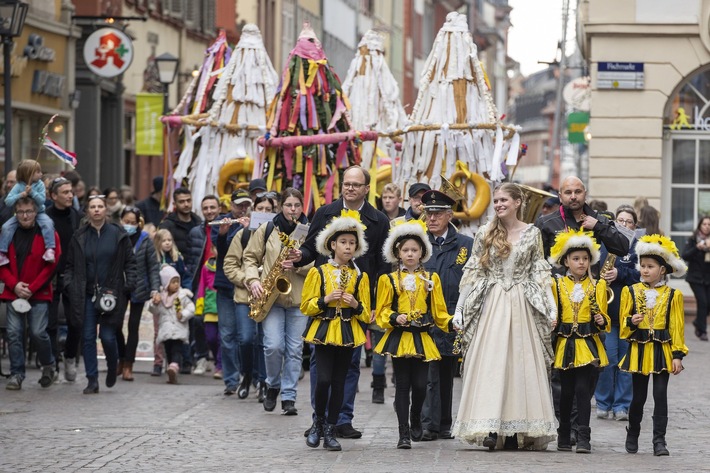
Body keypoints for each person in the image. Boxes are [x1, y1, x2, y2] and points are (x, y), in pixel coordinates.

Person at [453, 182, 557, 451]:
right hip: (492, 303)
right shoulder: (485, 233)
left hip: (522, 303)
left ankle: (517, 430)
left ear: (517, 203)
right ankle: (490, 427)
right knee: (491, 364)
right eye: (496, 201)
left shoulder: (532, 233)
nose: (498, 205)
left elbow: (540, 272)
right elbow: (473, 271)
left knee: (520, 366)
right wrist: (460, 308)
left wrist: (551, 305)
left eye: (503, 200)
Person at [292, 165, 389, 439]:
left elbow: (383, 266)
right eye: (347, 183)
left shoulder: (378, 219)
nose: (350, 188)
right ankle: (318, 419)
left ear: (367, 188)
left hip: (356, 301)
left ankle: (342, 419)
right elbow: (311, 247)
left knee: (350, 364)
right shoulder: (325, 212)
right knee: (319, 366)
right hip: (325, 297)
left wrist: (375, 303)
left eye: (356, 184)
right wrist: (299, 255)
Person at [375, 220, 453, 449]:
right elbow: (382, 310)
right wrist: (393, 317)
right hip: (400, 337)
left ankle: (416, 415)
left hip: (421, 337)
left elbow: (439, 312)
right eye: (405, 250)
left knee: (420, 385)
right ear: (398, 253)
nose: (410, 254)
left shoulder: (431, 280)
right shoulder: (388, 280)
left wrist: (454, 323)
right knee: (402, 384)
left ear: (422, 253)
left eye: (414, 250)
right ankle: (403, 433)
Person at [302, 211, 371, 452]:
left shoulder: (359, 276)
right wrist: (325, 299)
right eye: (343, 242)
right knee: (323, 380)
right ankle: (317, 424)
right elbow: (306, 306)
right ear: (332, 244)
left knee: (340, 382)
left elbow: (365, 313)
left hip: (348, 332)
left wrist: (355, 305)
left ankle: (331, 428)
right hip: (323, 330)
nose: (348, 247)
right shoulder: (318, 272)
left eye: (352, 243)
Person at [243, 188, 311, 414]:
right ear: (281, 206)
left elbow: (319, 263)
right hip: (270, 297)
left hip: (298, 298)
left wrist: (299, 264)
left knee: (294, 350)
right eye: (289, 205)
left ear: (303, 206)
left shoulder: (309, 231)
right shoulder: (268, 228)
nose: (293, 210)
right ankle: (272, 384)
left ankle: (289, 396)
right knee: (273, 346)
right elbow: (250, 257)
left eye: (297, 205)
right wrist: (253, 280)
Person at [619, 234, 688, 456]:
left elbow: (677, 326)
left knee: (660, 394)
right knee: (638, 396)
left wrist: (677, 355)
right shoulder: (630, 291)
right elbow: (622, 327)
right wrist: (631, 322)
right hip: (639, 349)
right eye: (643, 265)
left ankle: (659, 441)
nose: (645, 270)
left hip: (662, 350)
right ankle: (633, 432)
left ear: (663, 270)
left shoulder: (672, 295)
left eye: (650, 266)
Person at [63, 195, 137, 394]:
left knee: (108, 337)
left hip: (112, 294)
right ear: (87, 211)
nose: (96, 210)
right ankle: (92, 379)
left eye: (100, 207)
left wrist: (128, 283)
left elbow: (130, 262)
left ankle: (113, 366)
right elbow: (69, 265)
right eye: (92, 207)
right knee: (87, 337)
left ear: (106, 210)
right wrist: (69, 285)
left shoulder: (117, 233)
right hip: (86, 294)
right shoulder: (79, 235)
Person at [549, 229, 610, 453]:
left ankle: (584, 437)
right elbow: (552, 313)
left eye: (585, 259)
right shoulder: (556, 285)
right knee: (565, 391)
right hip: (565, 344)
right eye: (576, 259)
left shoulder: (597, 286)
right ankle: (564, 434)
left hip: (587, 344)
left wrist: (601, 319)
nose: (581, 263)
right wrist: (552, 322)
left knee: (583, 389)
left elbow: (605, 320)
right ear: (566, 261)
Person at [419, 190, 473, 442]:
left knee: (446, 372)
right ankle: (428, 424)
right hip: (425, 318)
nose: (431, 218)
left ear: (449, 215)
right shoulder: (417, 242)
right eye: (428, 213)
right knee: (429, 374)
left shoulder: (465, 244)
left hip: (452, 318)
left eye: (437, 213)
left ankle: (443, 423)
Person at [1, 196, 61, 390]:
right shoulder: (7, 233)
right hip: (13, 291)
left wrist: (32, 287)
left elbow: (51, 265)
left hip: (39, 292)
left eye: (28, 211)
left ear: (36, 212)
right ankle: (17, 373)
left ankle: (48, 365)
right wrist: (14, 285)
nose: (25, 216)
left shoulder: (47, 233)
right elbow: (2, 263)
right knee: (13, 333)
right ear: (15, 213)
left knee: (37, 333)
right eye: (20, 212)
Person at [223, 193, 275, 402]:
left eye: (267, 209)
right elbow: (230, 264)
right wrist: (246, 280)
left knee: (264, 342)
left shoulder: (278, 235)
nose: (263, 213)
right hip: (245, 296)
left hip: (270, 297)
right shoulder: (242, 235)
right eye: (259, 209)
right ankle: (246, 375)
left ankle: (263, 381)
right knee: (245, 339)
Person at [594, 206, 640, 421]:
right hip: (609, 313)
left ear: (635, 226)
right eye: (620, 220)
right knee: (608, 360)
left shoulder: (638, 248)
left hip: (630, 315)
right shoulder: (604, 245)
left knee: (626, 364)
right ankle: (603, 402)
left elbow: (641, 275)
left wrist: (619, 273)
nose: (623, 224)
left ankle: (622, 405)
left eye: (628, 221)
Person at [212, 189, 252, 395]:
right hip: (227, 286)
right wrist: (224, 233)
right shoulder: (221, 221)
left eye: (246, 205)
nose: (242, 209)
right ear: (231, 206)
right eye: (239, 205)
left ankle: (249, 375)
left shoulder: (256, 224)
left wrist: (248, 230)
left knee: (245, 336)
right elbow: (223, 252)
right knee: (227, 334)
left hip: (247, 287)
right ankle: (230, 380)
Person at [115, 206, 161, 381]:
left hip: (139, 287)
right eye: (126, 222)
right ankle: (121, 356)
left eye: (133, 223)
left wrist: (154, 289)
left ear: (138, 223)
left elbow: (153, 267)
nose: (129, 225)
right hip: (119, 287)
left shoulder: (145, 240)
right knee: (116, 325)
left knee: (133, 327)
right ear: (121, 221)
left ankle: (128, 365)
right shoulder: (116, 236)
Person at [536, 176, 630, 260]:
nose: (573, 197)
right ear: (560, 197)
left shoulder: (599, 220)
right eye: (568, 192)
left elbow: (623, 249)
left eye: (578, 192)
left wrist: (598, 226)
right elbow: (538, 260)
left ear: (585, 194)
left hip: (590, 278)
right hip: (556, 279)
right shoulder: (545, 223)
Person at [46, 177, 84, 382]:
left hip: (73, 275)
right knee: (50, 324)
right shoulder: (45, 218)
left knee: (76, 322)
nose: (70, 195)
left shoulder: (77, 217)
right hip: (50, 276)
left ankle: (70, 357)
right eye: (65, 192)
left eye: (71, 192)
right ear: (53, 196)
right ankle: (53, 363)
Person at [186, 195, 221, 375]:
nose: (209, 211)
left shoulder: (227, 228)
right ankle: (201, 357)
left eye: (212, 207)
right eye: (206, 208)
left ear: (219, 208)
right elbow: (192, 262)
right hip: (201, 284)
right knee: (198, 322)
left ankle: (221, 362)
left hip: (221, 285)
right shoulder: (195, 232)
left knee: (220, 326)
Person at [0, 160, 56, 266]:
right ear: (29, 174)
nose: (41, 174)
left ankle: (50, 249)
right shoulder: (18, 186)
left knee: (48, 223)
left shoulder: (40, 185)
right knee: (6, 227)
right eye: (38, 172)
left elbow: (41, 200)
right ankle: (2, 252)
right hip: (19, 215)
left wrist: (32, 193)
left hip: (39, 213)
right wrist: (20, 195)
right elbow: (8, 201)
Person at [151, 228, 191, 376]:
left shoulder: (177, 258)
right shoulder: (155, 258)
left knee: (178, 327)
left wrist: (185, 290)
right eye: (164, 241)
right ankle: (158, 363)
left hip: (176, 298)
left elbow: (184, 275)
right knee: (159, 332)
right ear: (158, 242)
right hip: (161, 300)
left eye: (169, 240)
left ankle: (177, 362)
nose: (167, 243)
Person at [148, 265, 196, 384]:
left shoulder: (183, 295)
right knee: (168, 351)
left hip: (178, 329)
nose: (176, 284)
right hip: (165, 330)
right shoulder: (161, 297)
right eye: (173, 282)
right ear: (166, 284)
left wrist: (183, 314)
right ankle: (172, 372)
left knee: (176, 349)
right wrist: (154, 303)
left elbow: (191, 308)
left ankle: (174, 367)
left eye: (177, 282)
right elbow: (154, 311)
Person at [195, 244, 221, 379]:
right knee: (211, 338)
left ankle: (220, 366)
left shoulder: (229, 263)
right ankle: (217, 360)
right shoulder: (207, 266)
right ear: (212, 250)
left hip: (224, 306)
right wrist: (200, 304)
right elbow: (202, 285)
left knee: (222, 339)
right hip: (210, 306)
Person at [682, 216, 710, 341]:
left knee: (707, 303)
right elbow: (685, 255)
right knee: (703, 302)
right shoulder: (693, 240)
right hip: (695, 278)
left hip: (708, 278)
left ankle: (698, 322)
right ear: (700, 225)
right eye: (704, 224)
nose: (707, 226)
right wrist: (698, 248)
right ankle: (702, 331)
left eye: (709, 224)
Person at [159, 187, 202, 257]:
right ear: (174, 204)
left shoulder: (199, 223)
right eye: (181, 201)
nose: (186, 204)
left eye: (188, 200)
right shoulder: (167, 225)